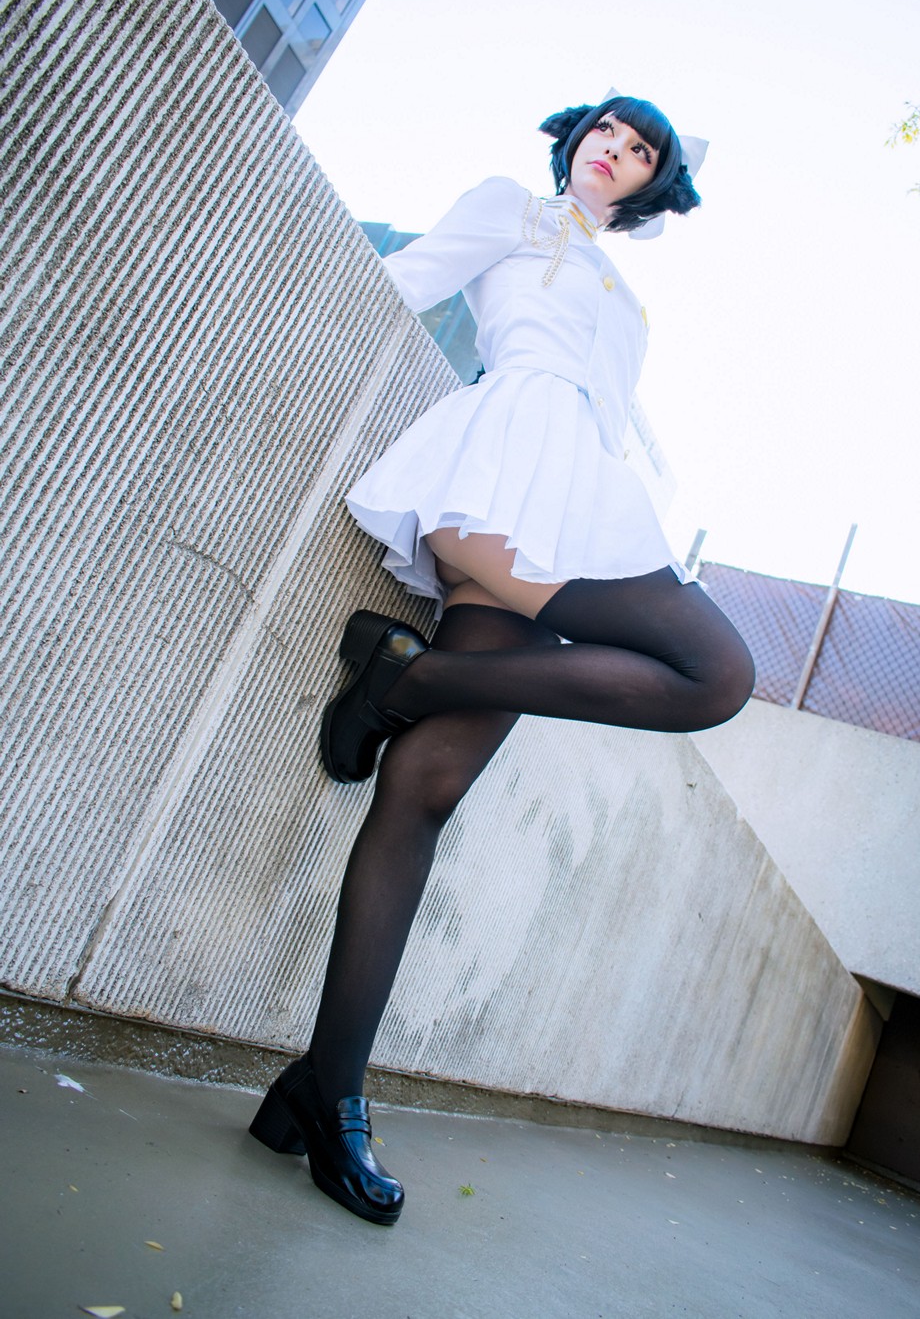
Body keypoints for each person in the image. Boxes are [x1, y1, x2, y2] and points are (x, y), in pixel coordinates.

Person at [249, 95, 755, 1225]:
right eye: (606, 130)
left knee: (425, 788)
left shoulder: (629, 294)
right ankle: (407, 677)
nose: (614, 151)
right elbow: (400, 281)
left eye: (641, 149)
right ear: (576, 137)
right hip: (494, 476)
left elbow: (607, 418)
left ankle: (322, 1088)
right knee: (716, 675)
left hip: (574, 502)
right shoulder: (512, 211)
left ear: (654, 182)